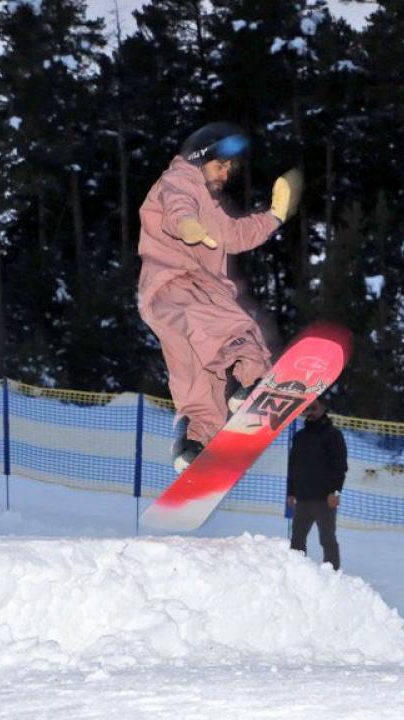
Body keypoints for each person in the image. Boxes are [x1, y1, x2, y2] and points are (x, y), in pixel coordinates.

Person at [137, 121, 303, 470]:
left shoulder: (208, 206)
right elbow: (176, 206)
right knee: (235, 328)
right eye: (219, 165)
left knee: (196, 373)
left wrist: (274, 217)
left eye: (231, 168)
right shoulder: (180, 180)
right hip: (182, 284)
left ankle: (194, 442)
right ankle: (255, 384)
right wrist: (186, 226)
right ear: (199, 159)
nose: (226, 173)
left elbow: (234, 235)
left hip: (160, 300)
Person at [287, 400, 348, 570]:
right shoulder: (299, 437)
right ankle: (297, 572)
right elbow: (293, 466)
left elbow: (340, 466)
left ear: (323, 409)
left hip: (324, 500)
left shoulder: (333, 435)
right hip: (302, 499)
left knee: (327, 539)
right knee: (297, 540)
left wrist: (335, 492)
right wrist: (291, 492)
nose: (310, 412)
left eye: (314, 408)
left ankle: (332, 576)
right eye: (307, 408)